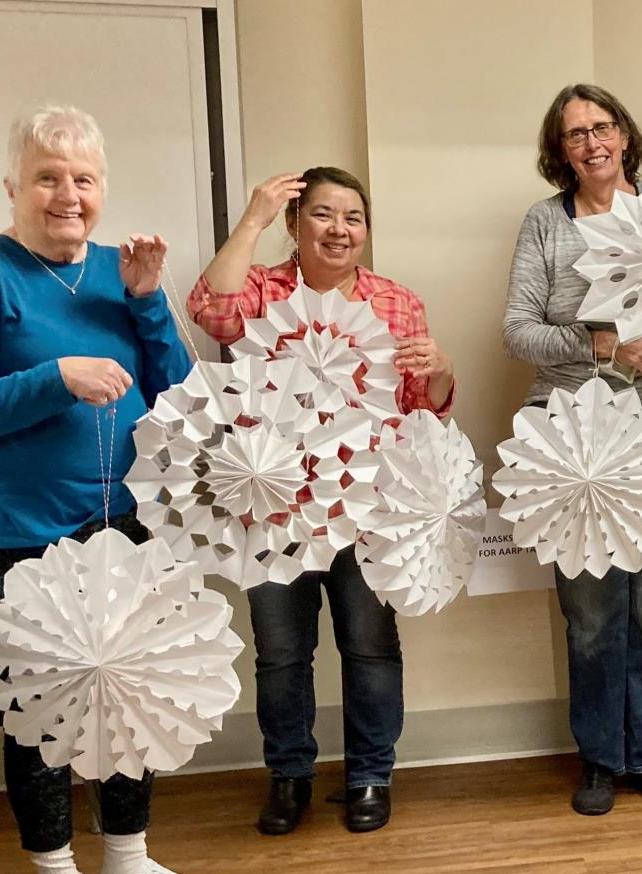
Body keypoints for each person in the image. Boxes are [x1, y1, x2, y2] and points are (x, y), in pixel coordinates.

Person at [0, 103, 216, 874]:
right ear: (15, 187)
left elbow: (178, 396)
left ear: (103, 188)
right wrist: (54, 377)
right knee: (42, 707)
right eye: (48, 176)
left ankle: (126, 864)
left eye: (83, 179)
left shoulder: (118, 274)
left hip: (116, 526)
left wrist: (150, 302)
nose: (67, 194)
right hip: (11, 529)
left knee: (124, 694)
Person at [188, 166, 455, 836]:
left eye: (354, 217)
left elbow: (420, 409)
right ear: (295, 225)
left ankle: (370, 772)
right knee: (280, 649)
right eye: (325, 215)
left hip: (369, 504)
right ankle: (289, 775)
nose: (341, 230)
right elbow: (210, 311)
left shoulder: (396, 301)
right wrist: (252, 216)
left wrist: (444, 374)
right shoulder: (263, 289)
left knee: (369, 642)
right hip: (274, 499)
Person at [503, 83, 642, 816]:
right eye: (574, 134)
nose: (591, 142)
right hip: (574, 435)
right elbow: (519, 330)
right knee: (592, 611)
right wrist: (604, 344)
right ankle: (599, 756)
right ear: (559, 152)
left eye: (602, 126)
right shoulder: (545, 224)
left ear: (625, 134)